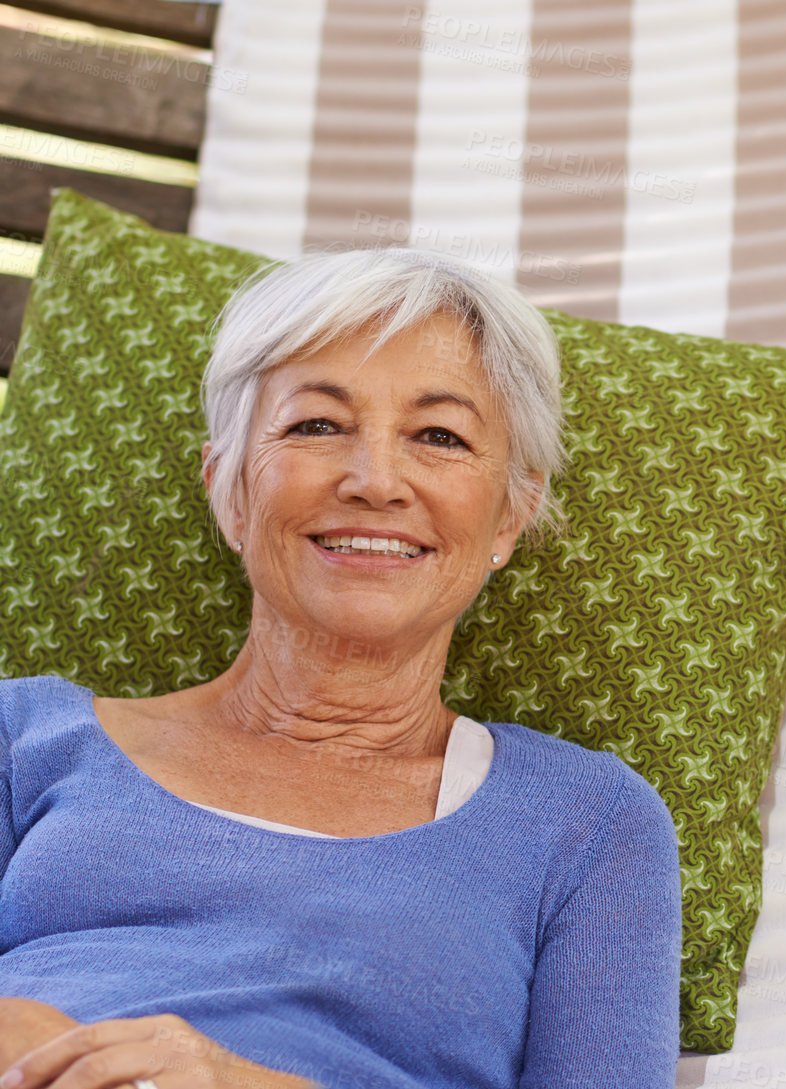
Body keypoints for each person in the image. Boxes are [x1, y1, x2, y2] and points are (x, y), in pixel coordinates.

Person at [0, 248, 681, 1088]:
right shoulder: (20, 736)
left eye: (440, 436)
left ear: (511, 514)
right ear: (232, 489)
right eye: (317, 425)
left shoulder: (588, 822)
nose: (374, 481)